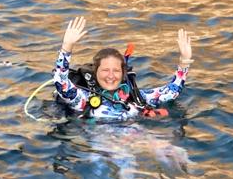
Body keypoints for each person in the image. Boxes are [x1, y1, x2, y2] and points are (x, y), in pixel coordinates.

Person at [53, 16, 192, 122]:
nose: (111, 75)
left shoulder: (134, 97)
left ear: (123, 73)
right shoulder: (83, 99)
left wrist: (184, 61)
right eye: (105, 70)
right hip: (104, 150)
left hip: (139, 138)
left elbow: (171, 92)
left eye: (116, 70)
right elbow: (61, 82)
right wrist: (67, 47)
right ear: (96, 73)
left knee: (175, 152)